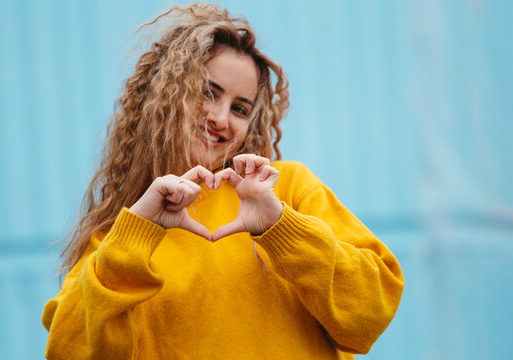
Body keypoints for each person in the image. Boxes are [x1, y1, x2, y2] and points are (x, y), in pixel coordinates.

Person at [42, 3, 404, 360]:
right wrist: (134, 237)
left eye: (240, 108)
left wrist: (281, 228)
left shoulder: (287, 191)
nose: (220, 118)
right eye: (206, 93)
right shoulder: (118, 239)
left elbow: (368, 318)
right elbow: (69, 352)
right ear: (164, 96)